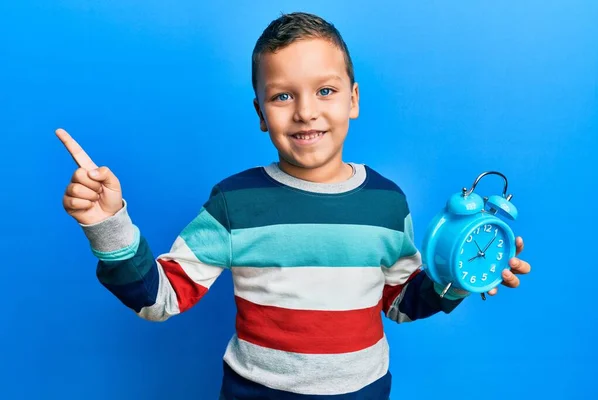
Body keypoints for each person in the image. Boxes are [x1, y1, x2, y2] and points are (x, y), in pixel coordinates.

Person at [56, 11, 531, 400]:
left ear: (353, 100)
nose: (305, 111)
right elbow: (160, 299)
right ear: (262, 113)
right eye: (283, 96)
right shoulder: (234, 202)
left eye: (325, 90)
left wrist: (461, 277)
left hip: (364, 392)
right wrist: (108, 226)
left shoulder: (387, 201)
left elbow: (402, 303)